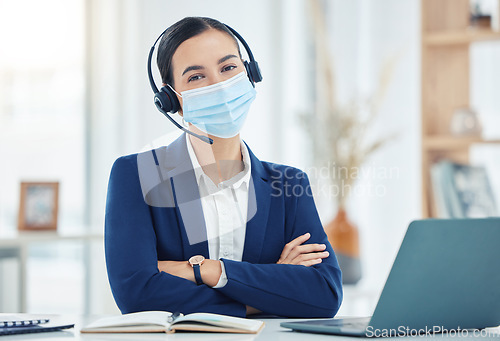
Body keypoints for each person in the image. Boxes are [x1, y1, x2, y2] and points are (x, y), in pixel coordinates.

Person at [105, 16, 342, 318]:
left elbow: (324, 294)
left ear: (250, 73)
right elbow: (136, 294)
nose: (219, 85)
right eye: (196, 77)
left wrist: (206, 270)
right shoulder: (136, 176)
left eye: (229, 68)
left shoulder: (288, 183)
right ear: (170, 99)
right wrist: (269, 289)